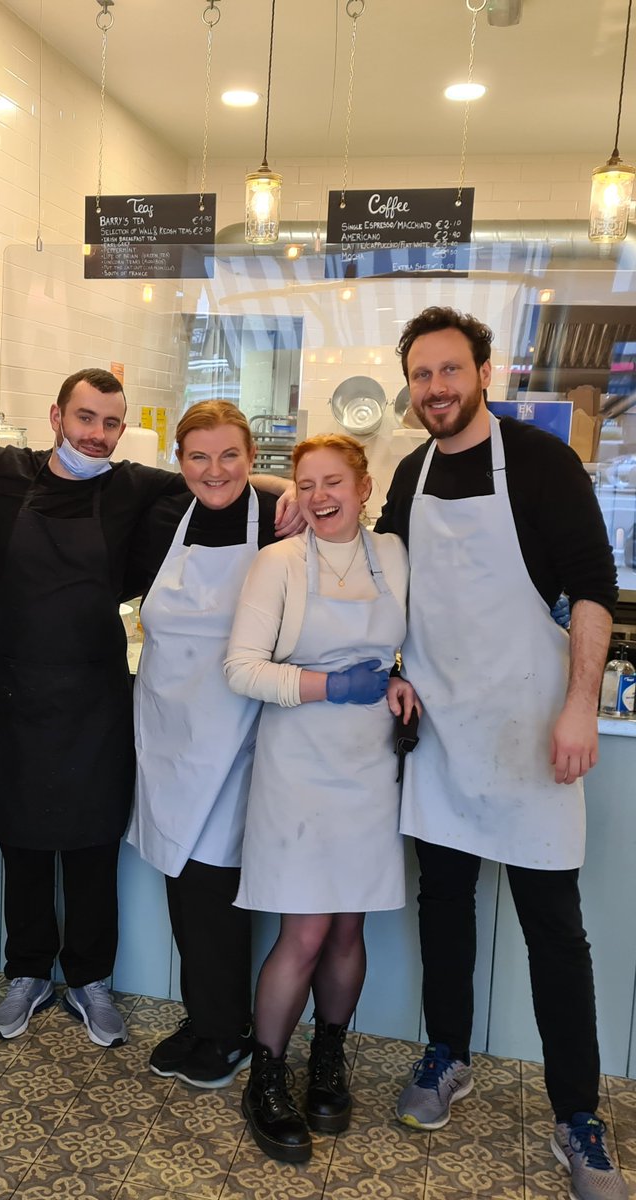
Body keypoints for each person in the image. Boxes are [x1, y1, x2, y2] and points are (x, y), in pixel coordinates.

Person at [0, 370, 297, 1047]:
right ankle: (26, 972)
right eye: (84, 417)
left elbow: (219, 479)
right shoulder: (1, 472)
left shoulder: (137, 486)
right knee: (20, 845)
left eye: (110, 423)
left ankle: (90, 978)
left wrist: (289, 486)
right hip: (11, 690)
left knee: (92, 844)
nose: (96, 433)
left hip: (93, 693)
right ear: (56, 415)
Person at [380, 308, 624, 1200]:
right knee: (441, 903)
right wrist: (395, 668)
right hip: (443, 731)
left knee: (553, 929)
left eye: (449, 370)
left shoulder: (543, 465)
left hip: (530, 728)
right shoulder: (408, 474)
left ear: (483, 370)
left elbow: (593, 590)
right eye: (421, 375)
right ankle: (447, 1054)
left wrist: (578, 707)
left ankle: (577, 1116)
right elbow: (385, 584)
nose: (435, 388)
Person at [224, 433, 414, 1164]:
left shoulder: (392, 554)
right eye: (307, 485)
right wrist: (329, 685)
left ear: (364, 488)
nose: (321, 496)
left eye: (335, 482)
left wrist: (396, 677)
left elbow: (409, 641)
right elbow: (241, 669)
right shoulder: (277, 564)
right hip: (298, 761)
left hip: (369, 762)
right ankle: (266, 1078)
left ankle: (327, 1060)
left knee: (346, 929)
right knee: (303, 932)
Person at [124, 401, 280, 1089]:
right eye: (198, 456)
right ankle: (203, 1016)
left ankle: (228, 1030)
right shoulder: (162, 516)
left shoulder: (277, 521)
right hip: (166, 731)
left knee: (215, 887)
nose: (214, 471)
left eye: (229, 456)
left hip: (238, 733)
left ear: (252, 459)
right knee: (181, 884)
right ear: (179, 460)